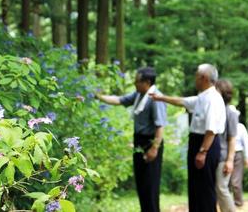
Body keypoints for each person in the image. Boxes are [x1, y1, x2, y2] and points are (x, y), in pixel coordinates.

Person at [150, 63, 226, 212]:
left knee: (205, 188)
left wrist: (203, 152)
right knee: (195, 187)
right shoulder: (202, 97)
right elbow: (182, 101)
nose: (194, 80)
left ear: (203, 78)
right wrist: (161, 98)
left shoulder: (213, 99)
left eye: (196, 76)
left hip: (206, 144)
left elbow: (211, 130)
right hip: (197, 142)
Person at [96, 67, 167, 212]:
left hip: (151, 142)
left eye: (137, 81)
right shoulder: (139, 95)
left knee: (150, 186)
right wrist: (99, 97)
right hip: (139, 141)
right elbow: (118, 100)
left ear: (147, 82)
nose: (134, 83)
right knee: (141, 184)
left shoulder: (155, 98)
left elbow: (160, 126)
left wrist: (154, 148)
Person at [215, 80, 238, 212]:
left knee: (222, 188)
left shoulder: (230, 113)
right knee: (216, 189)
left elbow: (232, 138)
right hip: (214, 156)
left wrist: (229, 160)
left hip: (223, 157)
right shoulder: (215, 110)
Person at [230, 118, 248, 207]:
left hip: (237, 154)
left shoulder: (240, 127)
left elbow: (247, 142)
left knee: (236, 181)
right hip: (224, 153)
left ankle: (238, 203)